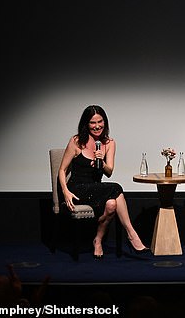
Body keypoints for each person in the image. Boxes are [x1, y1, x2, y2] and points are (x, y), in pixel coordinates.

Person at [58, 104, 148, 259]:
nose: (97, 126)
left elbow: (109, 172)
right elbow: (62, 170)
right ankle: (131, 233)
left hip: (96, 188)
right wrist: (66, 191)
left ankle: (97, 240)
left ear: (104, 122)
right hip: (77, 188)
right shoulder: (76, 141)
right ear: (86, 124)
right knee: (116, 187)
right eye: (92, 123)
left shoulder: (109, 143)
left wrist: (102, 161)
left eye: (100, 122)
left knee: (112, 204)